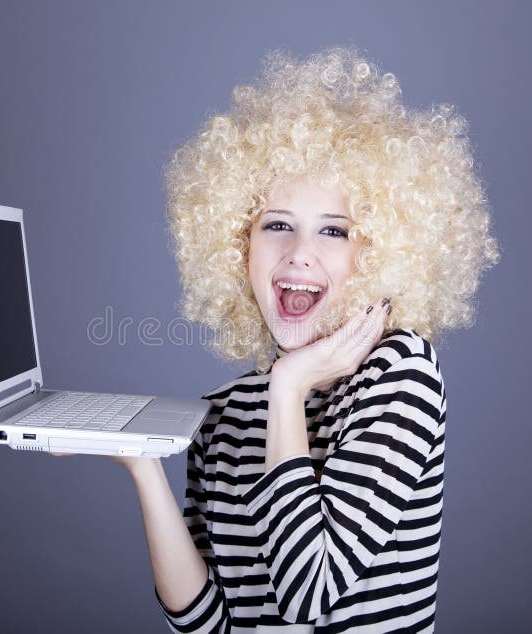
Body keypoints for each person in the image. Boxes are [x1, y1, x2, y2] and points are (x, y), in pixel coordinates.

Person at [75, 46, 499, 632]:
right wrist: (143, 466)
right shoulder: (223, 411)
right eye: (276, 225)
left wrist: (288, 388)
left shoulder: (402, 377)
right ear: (235, 246)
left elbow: (310, 592)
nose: (300, 253)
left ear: (376, 254)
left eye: (334, 231)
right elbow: (208, 624)